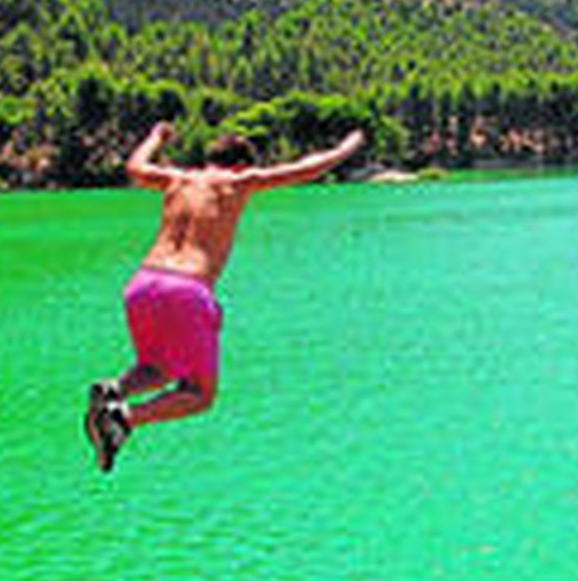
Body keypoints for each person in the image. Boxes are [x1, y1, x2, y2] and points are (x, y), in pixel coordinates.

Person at [85, 121, 367, 472]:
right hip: (186, 289)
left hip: (142, 284)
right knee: (199, 394)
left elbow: (135, 168)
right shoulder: (238, 181)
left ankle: (115, 389)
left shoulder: (176, 179)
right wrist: (347, 148)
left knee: (156, 368)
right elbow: (305, 169)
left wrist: (155, 137)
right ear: (241, 165)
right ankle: (123, 417)